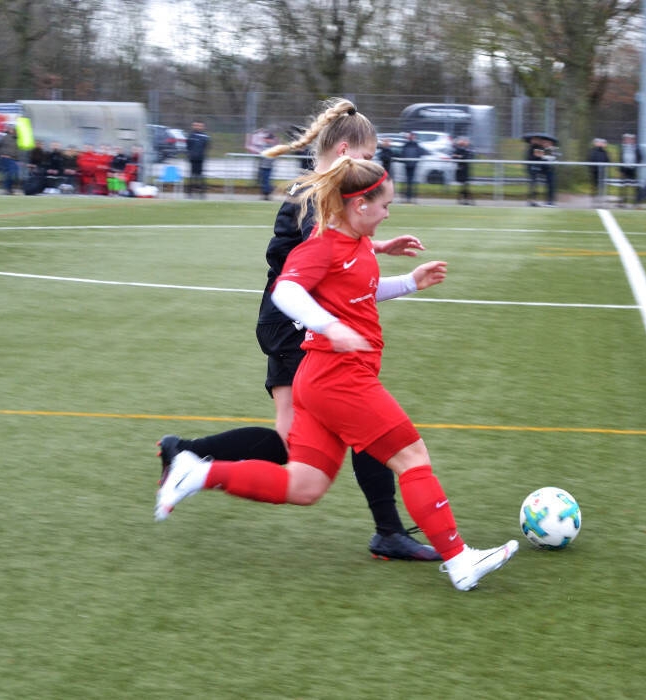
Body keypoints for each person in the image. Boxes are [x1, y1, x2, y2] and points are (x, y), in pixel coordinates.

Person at [155, 156, 519, 591]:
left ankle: (197, 472)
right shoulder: (323, 245)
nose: (388, 214)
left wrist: (410, 282)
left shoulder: (358, 242)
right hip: (338, 376)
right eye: (385, 205)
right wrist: (330, 326)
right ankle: (460, 561)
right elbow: (286, 291)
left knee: (304, 485)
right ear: (359, 205)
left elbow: (361, 291)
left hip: (319, 378)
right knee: (412, 456)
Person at [157, 98, 440, 561]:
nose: (373, 167)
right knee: (360, 422)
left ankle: (185, 454)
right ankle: (387, 530)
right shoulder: (314, 194)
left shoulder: (315, 192)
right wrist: (372, 260)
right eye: (368, 157)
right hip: (293, 320)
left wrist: (378, 246)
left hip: (282, 318)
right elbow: (326, 250)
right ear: (345, 151)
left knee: (296, 443)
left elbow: (335, 245)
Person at [399, 132, 428, 203]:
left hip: (413, 165)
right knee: (407, 181)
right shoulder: (406, 144)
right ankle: (406, 197)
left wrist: (415, 161)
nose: (411, 137)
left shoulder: (416, 145)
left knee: (411, 182)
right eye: (410, 136)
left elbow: (421, 153)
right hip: (407, 165)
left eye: (412, 136)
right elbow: (402, 153)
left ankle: (410, 197)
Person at [186, 120, 210, 198]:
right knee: (192, 176)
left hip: (200, 159)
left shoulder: (205, 136)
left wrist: (202, 154)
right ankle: (189, 193)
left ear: (203, 127)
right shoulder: (190, 136)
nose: (197, 127)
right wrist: (190, 154)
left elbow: (206, 146)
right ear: (193, 126)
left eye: (199, 126)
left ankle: (202, 193)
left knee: (200, 176)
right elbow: (188, 146)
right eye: (195, 125)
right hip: (192, 159)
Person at [618, 133, 642, 207]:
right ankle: (622, 202)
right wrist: (621, 170)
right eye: (627, 139)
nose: (629, 141)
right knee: (623, 186)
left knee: (634, 186)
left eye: (631, 139)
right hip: (625, 169)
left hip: (633, 169)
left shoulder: (636, 148)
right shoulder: (623, 148)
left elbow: (640, 157)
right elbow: (620, 159)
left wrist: (636, 165)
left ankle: (635, 202)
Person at [452, 136, 475, 205]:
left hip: (466, 170)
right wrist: (459, 156)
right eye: (462, 141)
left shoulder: (468, 149)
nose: (464, 142)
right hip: (460, 170)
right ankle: (467, 201)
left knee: (465, 186)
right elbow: (454, 157)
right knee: (464, 186)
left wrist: (459, 156)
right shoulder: (458, 149)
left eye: (465, 141)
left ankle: (463, 200)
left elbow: (467, 157)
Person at [588, 138, 610, 204]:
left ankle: (600, 198)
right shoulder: (592, 151)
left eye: (601, 143)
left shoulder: (604, 152)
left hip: (602, 172)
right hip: (595, 171)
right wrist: (592, 168)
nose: (600, 144)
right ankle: (594, 198)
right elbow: (591, 159)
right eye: (598, 142)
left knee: (601, 185)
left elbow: (607, 160)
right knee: (594, 185)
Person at [0, 124, 20, 195]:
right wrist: (1, 155)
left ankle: (9, 189)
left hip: (12, 159)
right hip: (5, 158)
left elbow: (16, 151)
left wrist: (17, 160)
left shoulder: (16, 139)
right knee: (9, 173)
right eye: (12, 129)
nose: (14, 131)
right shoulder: (5, 137)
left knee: (13, 173)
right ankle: (7, 189)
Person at [258, 131, 277, 200]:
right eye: (266, 138)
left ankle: (267, 194)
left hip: (269, 167)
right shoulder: (264, 146)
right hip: (263, 166)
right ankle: (266, 194)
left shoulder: (273, 147)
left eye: (268, 138)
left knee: (267, 181)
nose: (266, 140)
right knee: (264, 181)